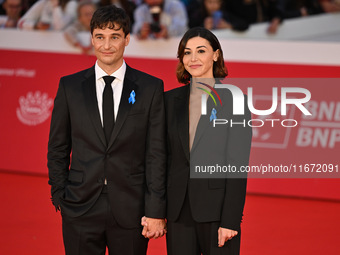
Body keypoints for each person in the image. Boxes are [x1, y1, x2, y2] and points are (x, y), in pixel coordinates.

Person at [47, 5, 167, 255]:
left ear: (127, 39)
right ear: (92, 39)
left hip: (131, 207)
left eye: (114, 37)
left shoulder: (150, 88)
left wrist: (155, 209)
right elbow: (58, 146)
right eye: (100, 37)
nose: (107, 45)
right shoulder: (70, 87)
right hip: (80, 206)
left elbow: (156, 153)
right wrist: (60, 194)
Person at [163, 27, 252, 255]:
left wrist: (231, 220)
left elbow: (237, 165)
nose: (193, 59)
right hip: (177, 210)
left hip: (216, 212)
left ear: (215, 55)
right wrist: (158, 209)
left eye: (201, 51)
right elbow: (162, 157)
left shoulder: (235, 101)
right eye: (187, 52)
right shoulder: (168, 101)